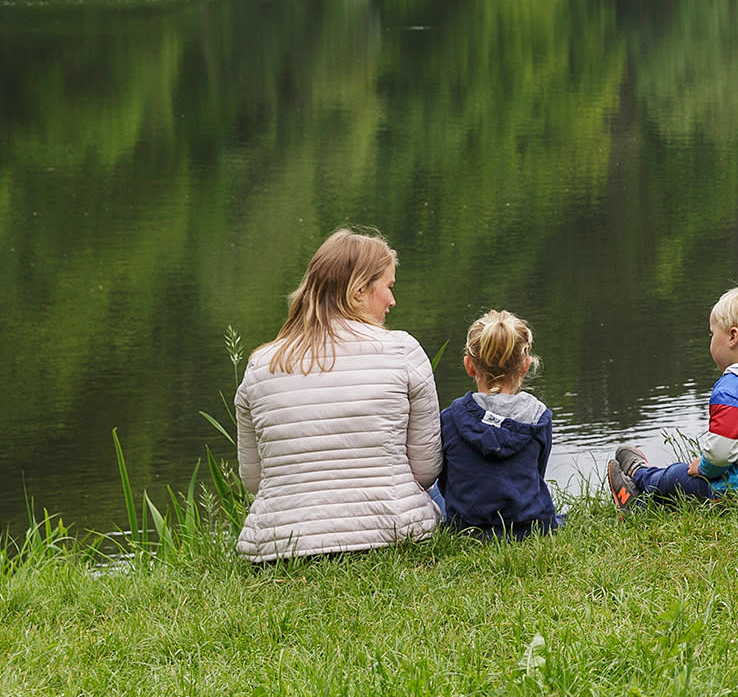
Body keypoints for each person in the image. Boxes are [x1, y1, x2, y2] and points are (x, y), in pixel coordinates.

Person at [235, 228, 443, 563]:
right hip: (392, 534)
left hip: (283, 547)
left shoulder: (260, 365)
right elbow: (425, 470)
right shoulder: (402, 350)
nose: (392, 301)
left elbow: (254, 480)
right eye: (388, 287)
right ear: (360, 290)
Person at [606, 286, 738, 511]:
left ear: (732, 336)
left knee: (679, 476)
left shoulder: (732, 389)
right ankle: (641, 491)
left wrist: (704, 468)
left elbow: (720, 454)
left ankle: (639, 477)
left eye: (712, 333)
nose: (711, 340)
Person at [438, 310, 561, 540]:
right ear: (525, 366)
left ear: (469, 366)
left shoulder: (451, 418)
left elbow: (446, 480)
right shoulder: (539, 417)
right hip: (531, 528)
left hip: (467, 530)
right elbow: (537, 473)